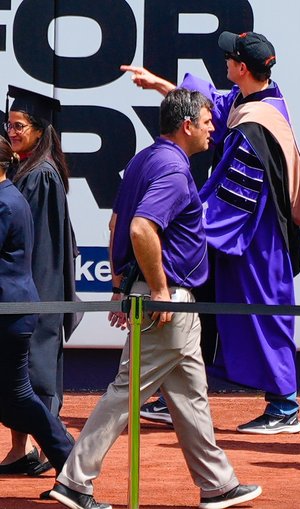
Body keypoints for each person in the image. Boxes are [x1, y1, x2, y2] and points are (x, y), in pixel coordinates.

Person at [48, 88, 261, 509]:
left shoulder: (148, 158)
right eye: (206, 121)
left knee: (190, 394)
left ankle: (217, 484)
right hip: (168, 303)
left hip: (164, 300)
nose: (212, 128)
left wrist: (118, 286)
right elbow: (140, 228)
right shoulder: (173, 169)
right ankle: (74, 480)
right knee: (126, 393)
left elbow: (115, 223)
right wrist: (159, 292)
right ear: (186, 126)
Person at [121, 30, 300, 434]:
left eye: (229, 59)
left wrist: (192, 224)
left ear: (241, 68)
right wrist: (162, 85)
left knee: (264, 317)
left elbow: (235, 192)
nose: (225, 63)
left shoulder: (255, 127)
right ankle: (171, 394)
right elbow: (214, 109)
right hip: (244, 238)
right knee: (206, 312)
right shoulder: (259, 99)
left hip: (256, 240)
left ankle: (285, 407)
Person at [0, 86, 80, 476]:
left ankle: (57, 456)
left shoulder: (42, 175)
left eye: (19, 125)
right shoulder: (24, 167)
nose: (12, 131)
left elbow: (43, 248)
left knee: (37, 374)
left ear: (39, 129)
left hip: (37, 290)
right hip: (24, 290)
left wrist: (40, 305)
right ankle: (21, 450)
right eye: (9, 125)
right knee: (18, 380)